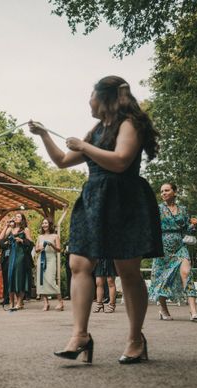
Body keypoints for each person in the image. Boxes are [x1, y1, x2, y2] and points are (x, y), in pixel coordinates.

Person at [30, 75, 163, 364]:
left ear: (106, 99)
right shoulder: (96, 130)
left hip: (123, 199)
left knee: (127, 271)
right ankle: (80, 336)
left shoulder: (129, 124)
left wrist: (84, 146)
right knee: (79, 263)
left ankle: (135, 339)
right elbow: (63, 161)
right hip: (94, 200)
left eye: (91, 95)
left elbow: (121, 160)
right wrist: (43, 135)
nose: (88, 101)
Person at [148, 183, 197, 321]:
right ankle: (163, 310)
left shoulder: (183, 210)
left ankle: (193, 311)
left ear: (175, 192)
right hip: (162, 248)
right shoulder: (157, 209)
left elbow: (187, 230)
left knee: (187, 273)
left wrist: (194, 225)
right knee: (162, 280)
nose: (164, 193)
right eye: (162, 191)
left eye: (167, 190)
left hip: (179, 247)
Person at [0, 212, 33, 311]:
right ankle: (11, 302)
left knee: (19, 277)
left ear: (22, 219)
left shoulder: (25, 229)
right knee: (11, 277)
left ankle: (19, 302)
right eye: (15, 217)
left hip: (21, 255)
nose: (16, 218)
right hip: (11, 255)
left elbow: (31, 243)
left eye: (18, 216)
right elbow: (1, 238)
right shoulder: (11, 229)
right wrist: (6, 226)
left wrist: (22, 241)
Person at [35, 217, 64, 311]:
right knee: (41, 281)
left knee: (51, 280)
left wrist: (52, 245)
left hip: (51, 259)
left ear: (50, 224)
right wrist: (39, 249)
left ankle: (60, 302)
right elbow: (36, 250)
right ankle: (46, 303)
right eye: (43, 223)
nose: (44, 225)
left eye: (46, 223)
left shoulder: (55, 236)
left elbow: (59, 250)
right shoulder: (40, 237)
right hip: (41, 259)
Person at [0, 219, 15, 306]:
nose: (10, 226)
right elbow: (1, 243)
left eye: (12, 225)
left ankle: (14, 298)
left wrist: (7, 243)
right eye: (9, 225)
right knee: (5, 279)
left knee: (12, 279)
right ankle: (6, 298)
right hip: (5, 259)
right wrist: (6, 227)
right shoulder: (6, 235)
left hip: (13, 258)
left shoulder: (16, 234)